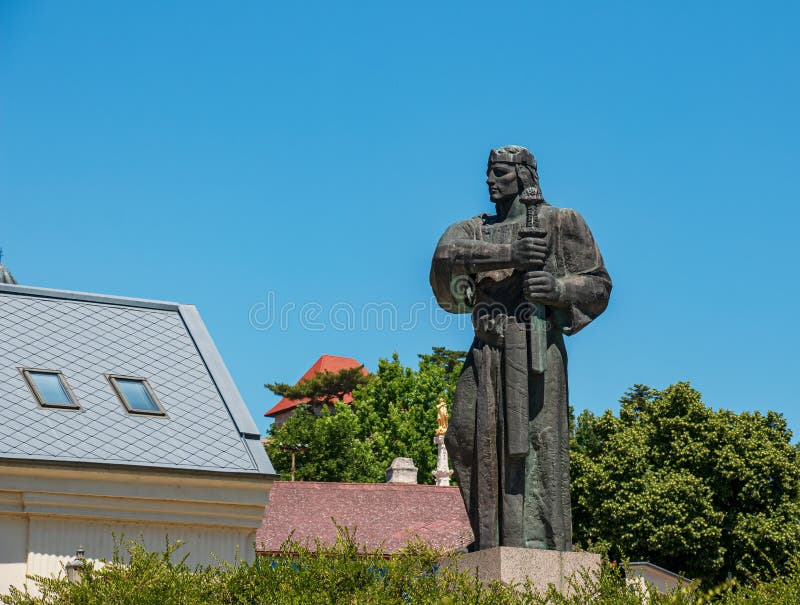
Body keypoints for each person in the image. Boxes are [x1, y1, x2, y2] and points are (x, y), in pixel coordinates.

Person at [430, 145, 611, 551]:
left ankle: (536, 542)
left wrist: (559, 288)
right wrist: (507, 254)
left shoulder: (560, 222)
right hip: (486, 350)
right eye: (489, 173)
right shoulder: (472, 229)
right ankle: (490, 538)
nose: (490, 181)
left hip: (536, 352)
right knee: (463, 435)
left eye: (499, 173)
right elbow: (444, 259)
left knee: (536, 447)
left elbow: (599, 286)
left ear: (524, 175)